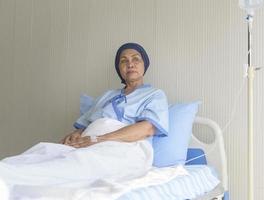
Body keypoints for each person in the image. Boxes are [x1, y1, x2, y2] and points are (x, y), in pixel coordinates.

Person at [0, 43, 169, 197]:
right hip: (89, 142)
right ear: (119, 69)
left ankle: (9, 179)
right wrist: (75, 134)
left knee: (76, 164)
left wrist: (99, 139)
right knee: (45, 152)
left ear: (144, 65)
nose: (130, 64)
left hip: (126, 147)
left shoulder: (154, 94)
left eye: (135, 59)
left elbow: (147, 129)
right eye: (123, 61)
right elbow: (86, 126)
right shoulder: (107, 96)